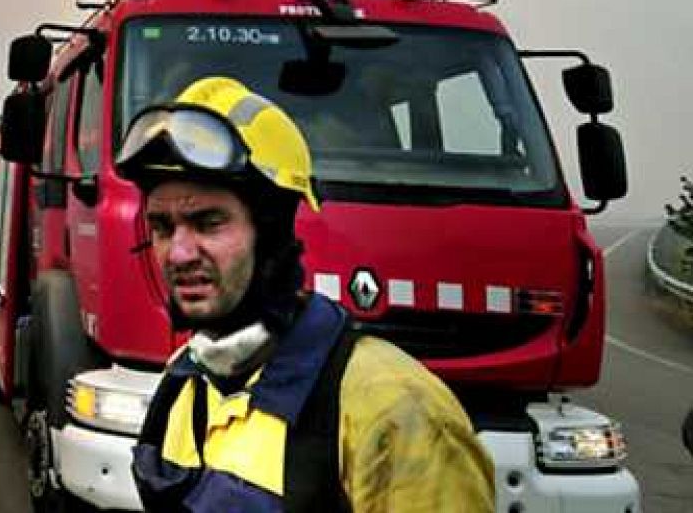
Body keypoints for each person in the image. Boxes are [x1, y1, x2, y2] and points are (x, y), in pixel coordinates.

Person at [114, 76, 493, 512]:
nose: (177, 253)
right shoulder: (183, 382)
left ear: (271, 232)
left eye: (208, 223)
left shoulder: (396, 409)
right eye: (161, 227)